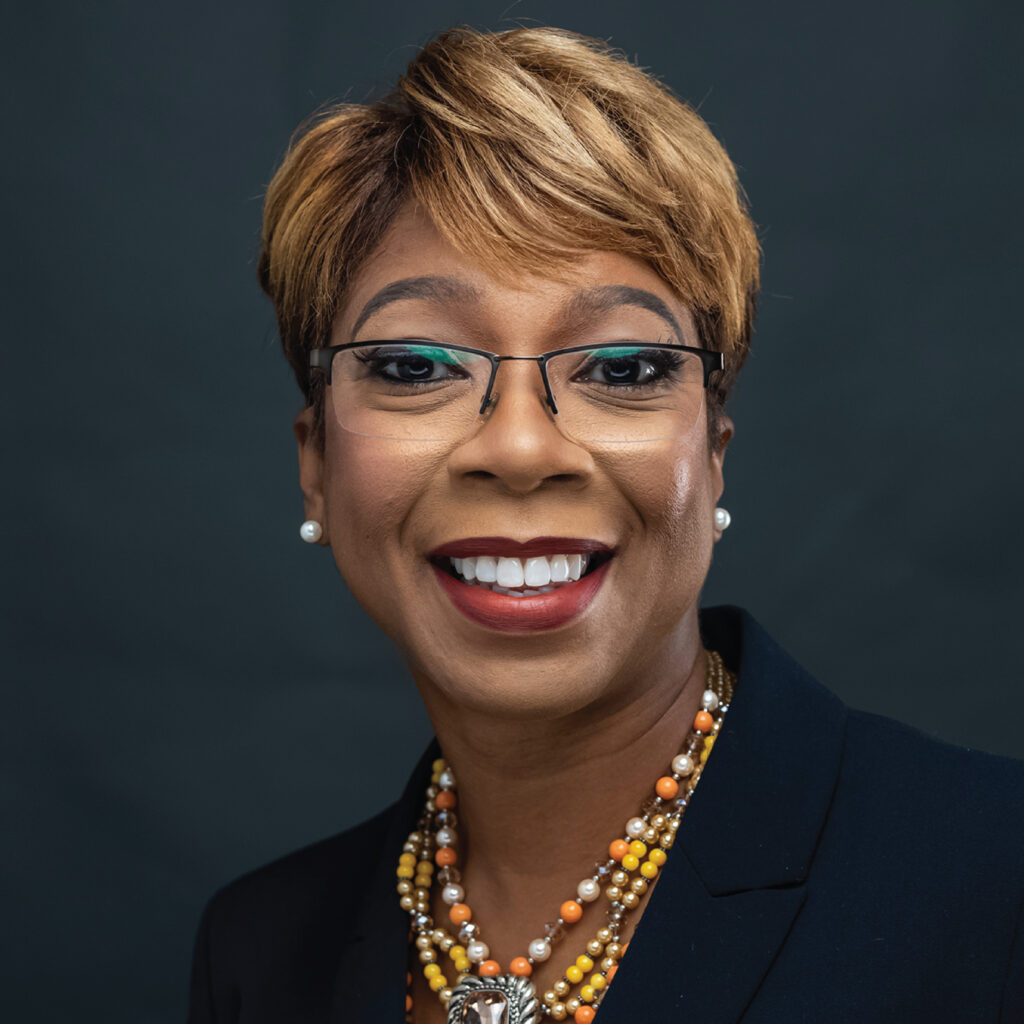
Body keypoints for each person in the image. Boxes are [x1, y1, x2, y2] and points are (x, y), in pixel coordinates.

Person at [187, 25, 1024, 1024]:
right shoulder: (262, 951)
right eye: (416, 365)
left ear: (711, 448)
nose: (522, 448)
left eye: (621, 368)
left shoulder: (995, 880)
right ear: (316, 463)